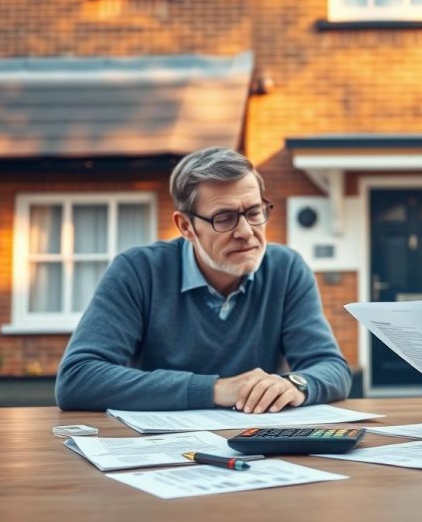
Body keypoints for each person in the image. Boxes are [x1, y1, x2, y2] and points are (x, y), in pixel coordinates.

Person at [56, 147, 351, 412]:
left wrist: (296, 385)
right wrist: (215, 389)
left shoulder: (286, 269)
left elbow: (332, 369)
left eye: (254, 212)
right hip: (160, 450)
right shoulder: (138, 271)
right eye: (224, 218)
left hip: (255, 446)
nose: (247, 232)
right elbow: (78, 378)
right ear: (185, 226)